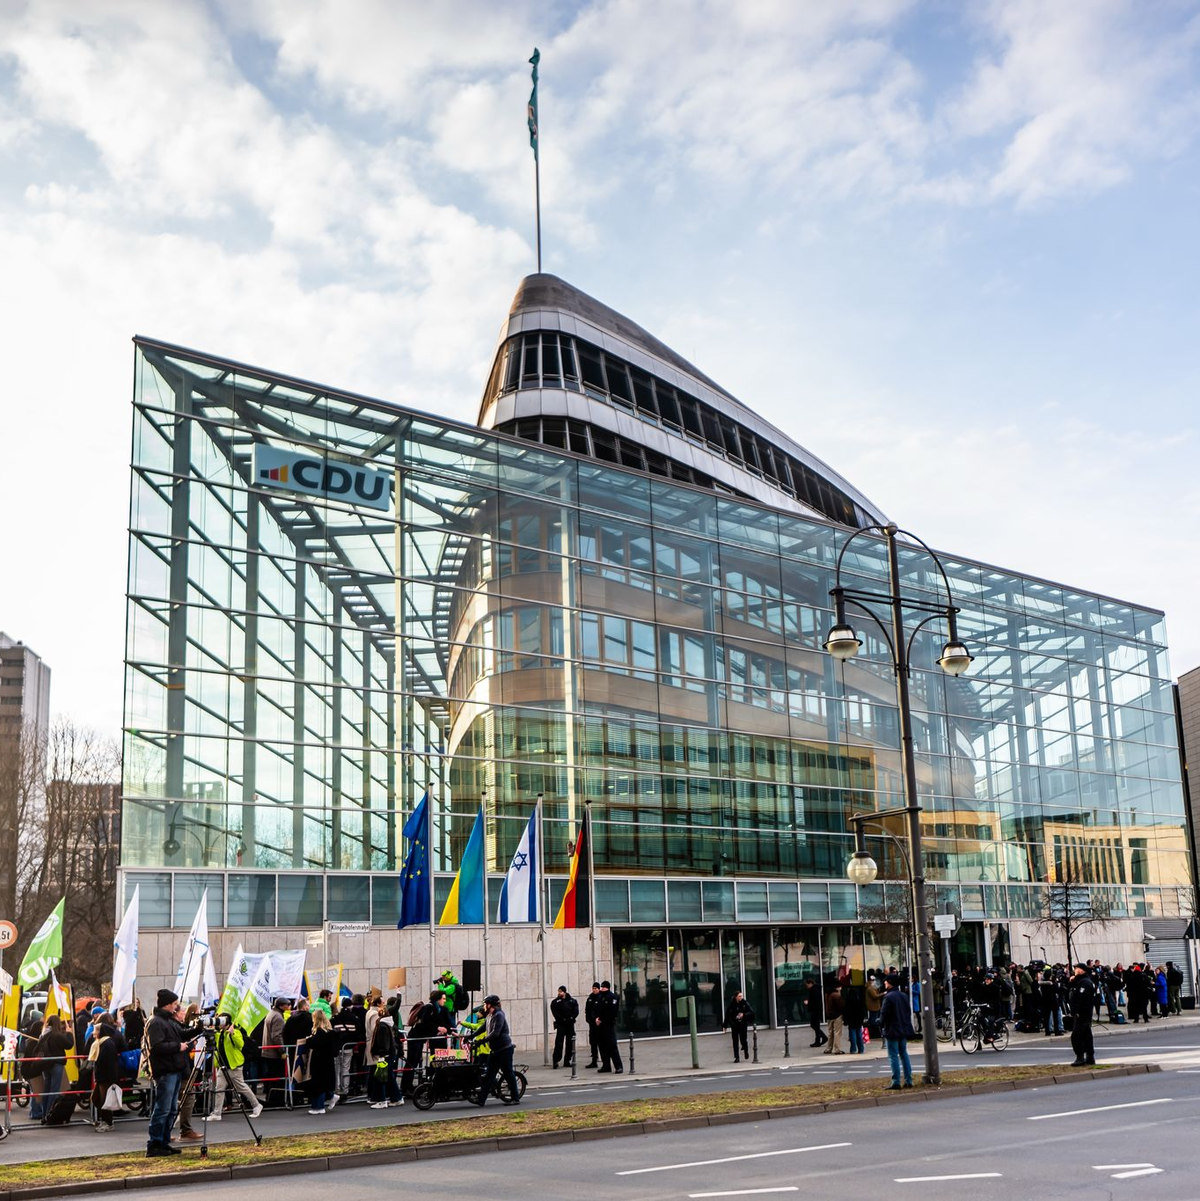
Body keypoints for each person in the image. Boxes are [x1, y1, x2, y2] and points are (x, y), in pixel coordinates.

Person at [145, 989, 201, 1158]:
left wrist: (198, 1028)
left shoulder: (166, 1021)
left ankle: (163, 1142)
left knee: (171, 1109)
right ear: (168, 1004)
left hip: (173, 1070)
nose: (177, 1007)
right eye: (175, 1004)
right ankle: (155, 1144)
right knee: (163, 1109)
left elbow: (181, 1034)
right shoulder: (156, 1022)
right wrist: (178, 1047)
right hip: (165, 1071)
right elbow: (157, 1047)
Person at [204, 1014, 262, 1122]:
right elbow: (214, 1042)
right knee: (219, 1089)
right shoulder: (220, 1033)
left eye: (220, 1021)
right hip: (223, 1066)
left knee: (241, 1087)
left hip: (234, 1066)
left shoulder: (235, 1032)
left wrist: (233, 1033)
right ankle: (217, 1113)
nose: (219, 1023)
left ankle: (256, 1105)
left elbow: (240, 1045)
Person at [471, 995, 519, 1107]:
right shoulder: (489, 1016)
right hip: (495, 1050)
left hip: (504, 1049)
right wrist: (472, 1036)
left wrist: (481, 1041)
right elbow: (484, 1028)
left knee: (508, 1074)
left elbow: (495, 1033)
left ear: (490, 1005)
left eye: (485, 1004)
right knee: (489, 1075)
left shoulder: (499, 1015)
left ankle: (515, 1098)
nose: (484, 1006)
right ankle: (481, 1100)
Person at [402, 990, 450, 1097]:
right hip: (415, 1038)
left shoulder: (436, 1008)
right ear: (437, 999)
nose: (445, 1001)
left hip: (420, 1038)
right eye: (443, 998)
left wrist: (442, 1030)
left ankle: (408, 1086)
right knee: (411, 1062)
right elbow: (425, 1021)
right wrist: (437, 1028)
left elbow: (433, 1023)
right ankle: (405, 1087)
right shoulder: (429, 1007)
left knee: (415, 1062)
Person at [88, 1014, 127, 1131]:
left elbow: (111, 1062)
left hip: (106, 1077)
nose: (94, 1033)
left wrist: (112, 1079)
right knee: (96, 1099)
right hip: (101, 1076)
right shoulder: (101, 1043)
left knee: (103, 1100)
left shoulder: (107, 1044)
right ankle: (105, 1120)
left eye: (96, 1030)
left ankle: (108, 1123)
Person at [365, 996, 402, 1108]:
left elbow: (382, 1041)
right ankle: (396, 1098)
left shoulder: (381, 1025)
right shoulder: (388, 1024)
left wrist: (381, 1054)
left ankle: (382, 1100)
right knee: (388, 1075)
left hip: (384, 1053)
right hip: (388, 1052)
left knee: (381, 1077)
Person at [36, 1014, 74, 1119]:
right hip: (56, 1064)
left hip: (45, 1065)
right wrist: (69, 1033)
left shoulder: (43, 1034)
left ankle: (44, 1114)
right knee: (55, 1090)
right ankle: (50, 1114)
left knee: (46, 1090)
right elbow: (69, 1044)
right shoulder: (56, 1035)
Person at [175, 1003, 203, 1142]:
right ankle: (184, 1129)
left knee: (182, 1097)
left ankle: (173, 1130)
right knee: (187, 1096)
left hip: (181, 1068)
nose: (183, 1013)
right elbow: (183, 1044)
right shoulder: (174, 1026)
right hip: (179, 1068)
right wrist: (189, 1044)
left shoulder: (174, 1026)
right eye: (181, 1011)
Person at [880, 976, 914, 1090]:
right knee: (904, 1054)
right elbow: (908, 1012)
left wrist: (880, 1023)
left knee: (893, 1055)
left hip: (892, 1029)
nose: (884, 982)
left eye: (885, 981)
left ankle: (896, 1082)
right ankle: (909, 1080)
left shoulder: (888, 997)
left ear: (889, 983)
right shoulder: (904, 996)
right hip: (903, 1029)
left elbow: (884, 1014)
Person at [331, 994, 366, 1099]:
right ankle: (345, 1090)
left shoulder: (335, 1018)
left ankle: (337, 1090)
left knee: (337, 1069)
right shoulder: (354, 1018)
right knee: (346, 1068)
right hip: (349, 1047)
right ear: (350, 1006)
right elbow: (359, 1032)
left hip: (337, 1047)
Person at [305, 1010, 338, 1114]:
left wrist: (308, 1040)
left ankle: (319, 1107)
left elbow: (314, 1044)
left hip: (319, 1060)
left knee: (318, 1084)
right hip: (328, 1060)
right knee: (325, 1082)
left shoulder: (319, 1032)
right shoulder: (330, 1031)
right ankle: (330, 1097)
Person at [1067, 964, 1096, 1067]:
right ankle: (1090, 1056)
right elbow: (1070, 991)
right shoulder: (1080, 981)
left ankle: (1080, 1057)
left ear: (1082, 970)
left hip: (1082, 1013)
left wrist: (1077, 1011)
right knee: (1087, 1035)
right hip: (1081, 1013)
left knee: (1076, 1036)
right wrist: (1072, 981)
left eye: (1076, 968)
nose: (1074, 970)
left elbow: (1081, 999)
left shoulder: (1085, 983)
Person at [259, 997, 288, 1102]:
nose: (289, 1006)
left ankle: (271, 1096)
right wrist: (282, 1050)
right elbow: (277, 1036)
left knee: (270, 1076)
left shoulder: (271, 1013)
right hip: (274, 1052)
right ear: (281, 1005)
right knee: (276, 1077)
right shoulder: (278, 1017)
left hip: (268, 1050)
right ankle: (276, 1099)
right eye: (287, 1004)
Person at [595, 981, 623, 1073]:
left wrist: (601, 1019)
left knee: (611, 1046)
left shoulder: (612, 997)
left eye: (603, 987)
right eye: (601, 987)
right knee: (602, 1046)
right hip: (600, 1025)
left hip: (608, 1024)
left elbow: (612, 1012)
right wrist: (596, 1019)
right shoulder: (600, 997)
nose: (602, 989)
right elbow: (596, 1009)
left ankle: (618, 1066)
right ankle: (606, 1065)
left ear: (607, 987)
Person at [550, 985, 578, 1069]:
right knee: (559, 1042)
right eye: (559, 991)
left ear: (565, 992)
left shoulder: (572, 1001)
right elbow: (555, 1012)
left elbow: (576, 1011)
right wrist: (561, 1019)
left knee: (570, 1043)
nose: (560, 993)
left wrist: (571, 1017)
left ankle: (567, 1060)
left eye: (561, 991)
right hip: (561, 1024)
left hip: (570, 1024)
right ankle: (556, 1060)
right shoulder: (556, 1002)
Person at [722, 991, 754, 1062]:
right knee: (735, 1041)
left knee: (743, 1039)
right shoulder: (731, 1005)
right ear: (736, 997)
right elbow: (727, 1015)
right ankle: (737, 1057)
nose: (741, 997)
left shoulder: (744, 1003)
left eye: (741, 996)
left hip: (742, 1024)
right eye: (739, 996)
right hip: (734, 1024)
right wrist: (725, 1025)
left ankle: (745, 1050)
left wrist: (744, 1015)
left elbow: (751, 1012)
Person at [842, 984, 866, 1055]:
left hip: (851, 1019)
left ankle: (853, 1049)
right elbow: (862, 1011)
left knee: (852, 1034)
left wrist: (845, 1020)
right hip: (858, 1019)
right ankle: (861, 1049)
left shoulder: (848, 999)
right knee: (859, 1034)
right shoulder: (859, 999)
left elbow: (846, 1010)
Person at [1039, 969, 1063, 1036]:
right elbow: (1057, 990)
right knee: (1055, 1016)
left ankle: (1047, 1031)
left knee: (1047, 1016)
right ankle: (1056, 1030)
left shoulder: (1043, 983)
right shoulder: (1051, 983)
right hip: (1053, 1000)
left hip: (1045, 1000)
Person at [583, 982, 602, 1068]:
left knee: (601, 1042)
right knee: (593, 1042)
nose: (594, 990)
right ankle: (594, 1060)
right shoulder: (590, 998)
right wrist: (588, 1019)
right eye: (593, 988)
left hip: (599, 1024)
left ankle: (604, 1060)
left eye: (596, 988)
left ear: (599, 989)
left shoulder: (601, 997)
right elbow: (587, 1009)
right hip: (592, 1024)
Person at [823, 984, 844, 1054]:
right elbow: (841, 1005)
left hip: (829, 1016)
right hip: (837, 1015)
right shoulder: (836, 995)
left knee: (830, 1033)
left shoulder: (827, 994)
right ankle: (837, 1049)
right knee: (837, 1032)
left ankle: (829, 1048)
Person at [804, 979, 826, 1047]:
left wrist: (809, 1003)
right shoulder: (815, 989)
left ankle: (819, 1040)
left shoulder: (814, 990)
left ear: (810, 983)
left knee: (815, 1025)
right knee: (815, 1025)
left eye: (807, 985)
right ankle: (822, 1038)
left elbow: (816, 1001)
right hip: (816, 1010)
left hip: (815, 1010)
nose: (806, 986)